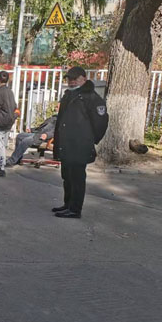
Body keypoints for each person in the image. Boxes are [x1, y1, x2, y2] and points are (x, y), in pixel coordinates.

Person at [52, 66, 109, 219]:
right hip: (67, 144)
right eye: (69, 79)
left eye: (75, 79)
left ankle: (75, 209)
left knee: (77, 178)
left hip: (80, 145)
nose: (71, 82)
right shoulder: (69, 95)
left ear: (83, 79)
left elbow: (100, 123)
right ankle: (68, 204)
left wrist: (89, 140)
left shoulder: (91, 98)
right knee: (67, 176)